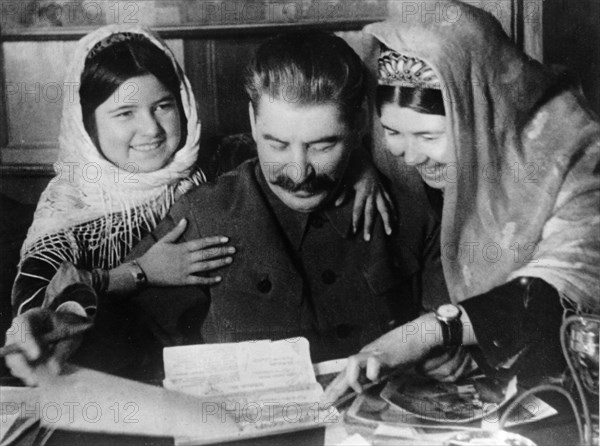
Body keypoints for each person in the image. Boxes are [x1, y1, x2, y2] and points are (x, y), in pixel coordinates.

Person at [3, 27, 395, 385]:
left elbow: (297, 134)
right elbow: (51, 323)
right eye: (124, 113)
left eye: (163, 105)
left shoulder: (216, 158)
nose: (152, 129)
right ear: (86, 126)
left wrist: (358, 162)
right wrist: (139, 272)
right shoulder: (63, 221)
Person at [111, 30, 446, 378]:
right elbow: (131, 352)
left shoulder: (413, 214)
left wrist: (445, 355)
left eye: (322, 146)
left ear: (360, 123)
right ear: (254, 123)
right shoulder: (201, 217)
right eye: (278, 145)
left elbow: (447, 332)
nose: (299, 173)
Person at [324, 0, 600, 402]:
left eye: (429, 138)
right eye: (392, 132)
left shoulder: (576, 150)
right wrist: (357, 159)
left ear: (478, 115)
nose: (411, 156)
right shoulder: (449, 149)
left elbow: (563, 286)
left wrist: (431, 331)